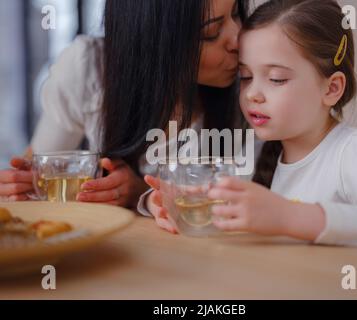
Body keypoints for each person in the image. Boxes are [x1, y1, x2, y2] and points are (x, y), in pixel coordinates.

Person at [149, 0, 357, 247]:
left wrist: (288, 216)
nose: (251, 94)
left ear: (331, 88)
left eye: (276, 79)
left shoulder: (356, 151)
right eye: (245, 77)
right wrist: (163, 200)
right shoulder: (256, 154)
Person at [0, 0, 251, 225]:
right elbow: (43, 170)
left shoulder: (255, 82)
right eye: (211, 33)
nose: (238, 38)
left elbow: (242, 203)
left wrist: (137, 191)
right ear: (152, 38)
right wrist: (19, 187)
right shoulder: (91, 69)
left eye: (236, 14)